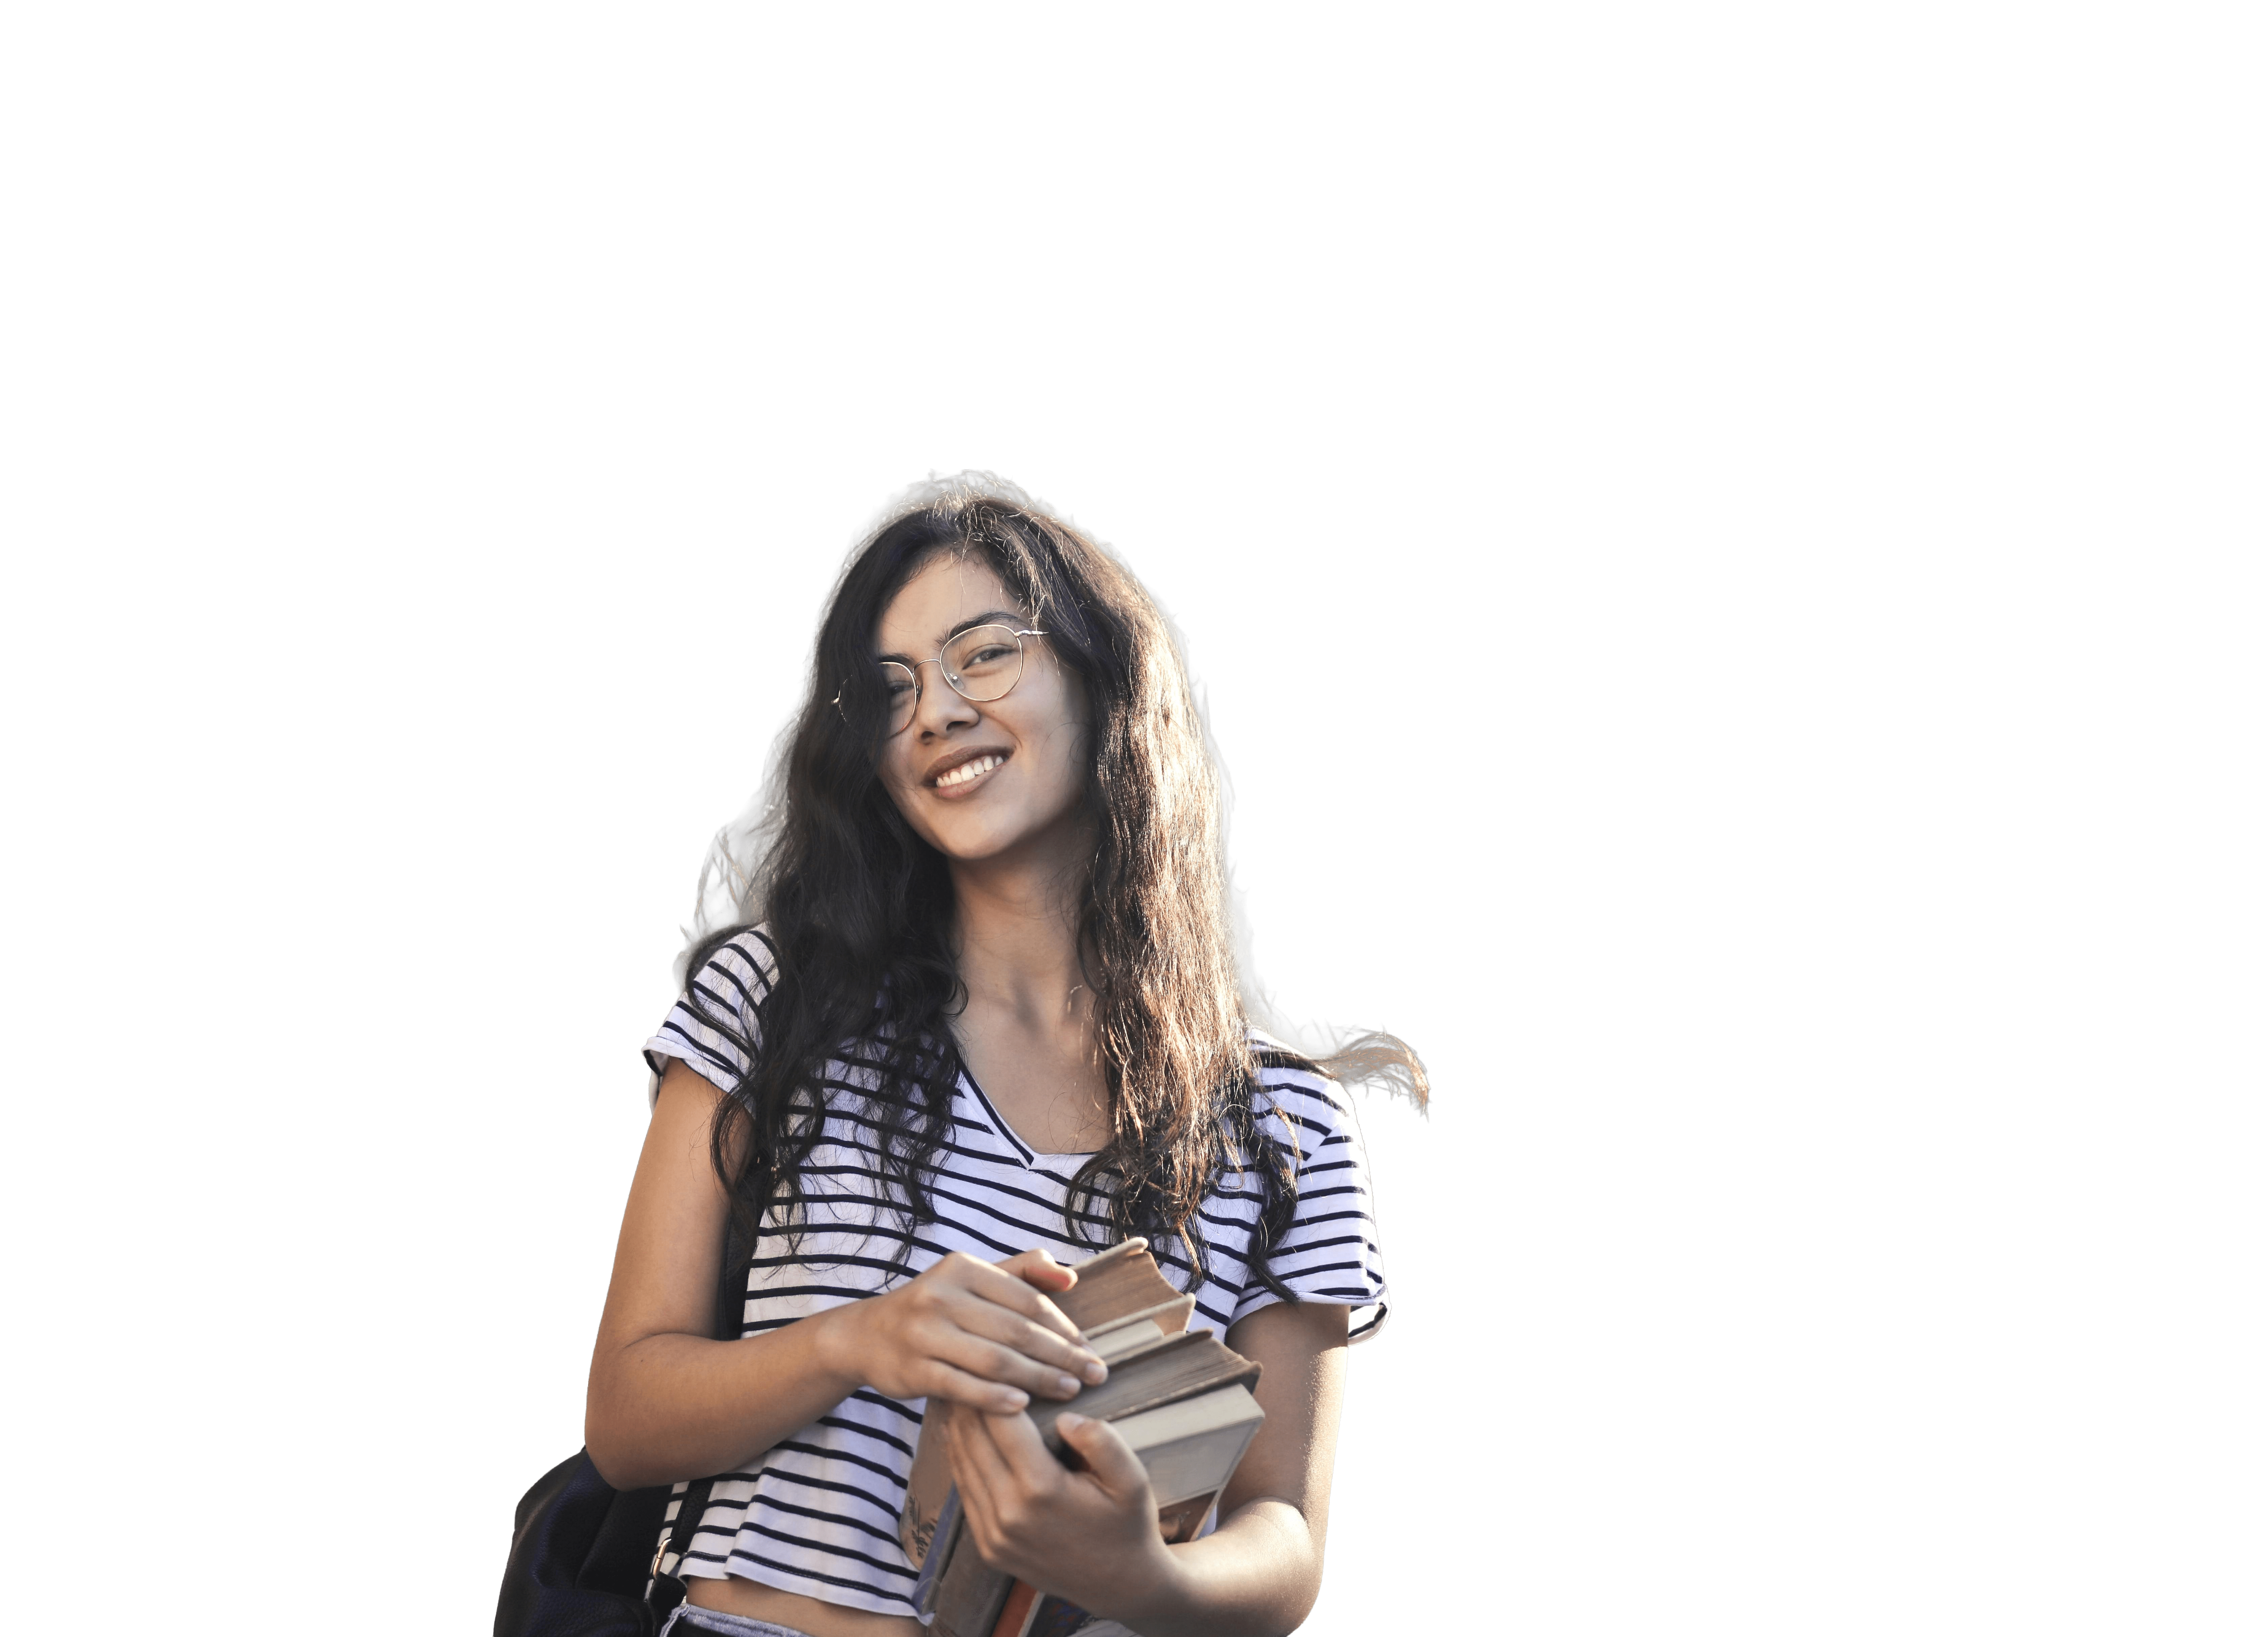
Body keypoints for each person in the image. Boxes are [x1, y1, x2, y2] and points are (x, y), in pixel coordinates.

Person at [586, 471, 1426, 1637]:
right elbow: (626, 1415)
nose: (932, 711)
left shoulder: (1286, 1125)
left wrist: (1140, 1571)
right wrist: (860, 1338)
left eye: (984, 654)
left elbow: (1280, 1537)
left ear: (1100, 673)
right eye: (889, 691)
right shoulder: (773, 1000)